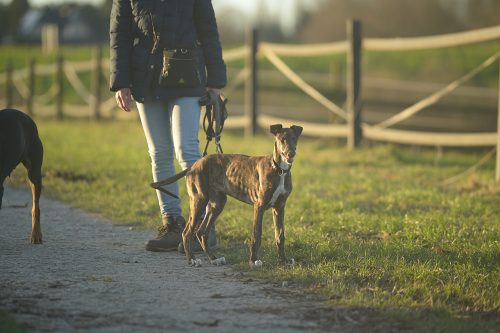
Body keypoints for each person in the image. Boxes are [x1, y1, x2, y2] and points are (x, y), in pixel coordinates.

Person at [109, 0, 226, 252]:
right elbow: (120, 33)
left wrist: (216, 80)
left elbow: (208, 29)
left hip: (187, 74)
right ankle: (172, 223)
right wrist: (121, 81)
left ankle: (203, 227)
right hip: (145, 77)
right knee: (159, 153)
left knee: (187, 150)